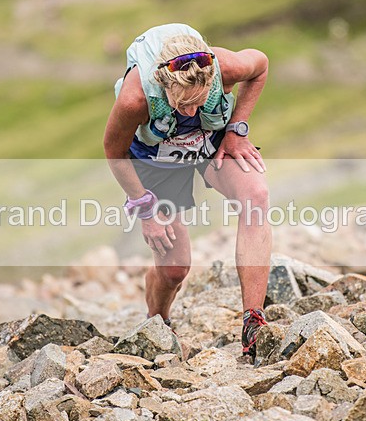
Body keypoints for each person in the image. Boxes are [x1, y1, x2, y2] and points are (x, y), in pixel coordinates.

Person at [103, 23, 272, 360]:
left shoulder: (225, 68)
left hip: (211, 141)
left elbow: (261, 65)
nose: (191, 112)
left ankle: (253, 322)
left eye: (199, 102)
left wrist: (237, 129)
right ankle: (158, 321)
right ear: (164, 86)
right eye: (182, 105)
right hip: (155, 157)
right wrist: (145, 210)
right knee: (175, 269)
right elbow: (113, 151)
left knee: (256, 196)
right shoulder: (135, 99)